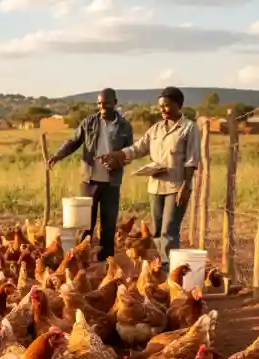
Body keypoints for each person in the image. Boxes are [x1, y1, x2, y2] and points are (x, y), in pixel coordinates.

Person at [99, 86, 201, 270]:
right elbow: (138, 148)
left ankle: (169, 270)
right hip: (155, 186)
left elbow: (192, 160)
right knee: (157, 231)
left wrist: (186, 186)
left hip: (176, 186)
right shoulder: (156, 129)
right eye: (160, 106)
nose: (162, 109)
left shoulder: (189, 128)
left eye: (167, 106)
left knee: (169, 230)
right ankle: (162, 266)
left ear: (179, 105)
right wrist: (116, 155)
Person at [47, 88, 133, 261]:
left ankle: (105, 261)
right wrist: (58, 155)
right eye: (99, 103)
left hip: (112, 181)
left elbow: (129, 153)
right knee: (86, 223)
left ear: (115, 103)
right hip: (90, 180)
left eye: (106, 103)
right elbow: (74, 142)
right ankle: (82, 259)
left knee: (108, 224)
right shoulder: (89, 122)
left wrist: (116, 161)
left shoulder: (124, 126)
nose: (102, 107)